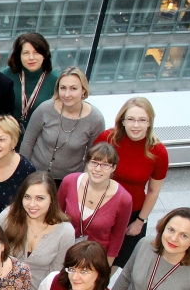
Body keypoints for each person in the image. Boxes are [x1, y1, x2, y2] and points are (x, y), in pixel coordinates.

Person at [94, 97, 169, 268]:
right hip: (100, 206)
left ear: (150, 122)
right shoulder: (107, 138)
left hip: (132, 214)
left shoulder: (158, 152)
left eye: (142, 120)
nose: (136, 125)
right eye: (131, 119)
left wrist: (140, 221)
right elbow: (90, 171)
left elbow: (153, 191)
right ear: (123, 120)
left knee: (115, 262)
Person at [20, 66, 106, 180]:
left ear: (83, 90)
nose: (66, 94)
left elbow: (93, 157)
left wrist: (84, 181)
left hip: (70, 179)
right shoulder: (44, 109)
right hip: (35, 174)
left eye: (73, 88)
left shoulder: (95, 119)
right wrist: (23, 172)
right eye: (63, 88)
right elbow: (27, 142)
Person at [57, 142, 133, 265]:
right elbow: (56, 215)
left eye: (105, 165)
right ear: (87, 163)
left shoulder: (124, 199)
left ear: (113, 168)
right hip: (65, 250)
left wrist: (106, 269)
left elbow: (117, 238)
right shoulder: (69, 182)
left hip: (95, 258)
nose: (98, 169)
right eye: (94, 163)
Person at [5, 33, 58, 133]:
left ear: (44, 55)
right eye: (26, 53)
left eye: (36, 52)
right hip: (9, 136)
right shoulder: (6, 76)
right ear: (19, 55)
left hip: (41, 138)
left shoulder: (56, 81)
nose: (31, 57)